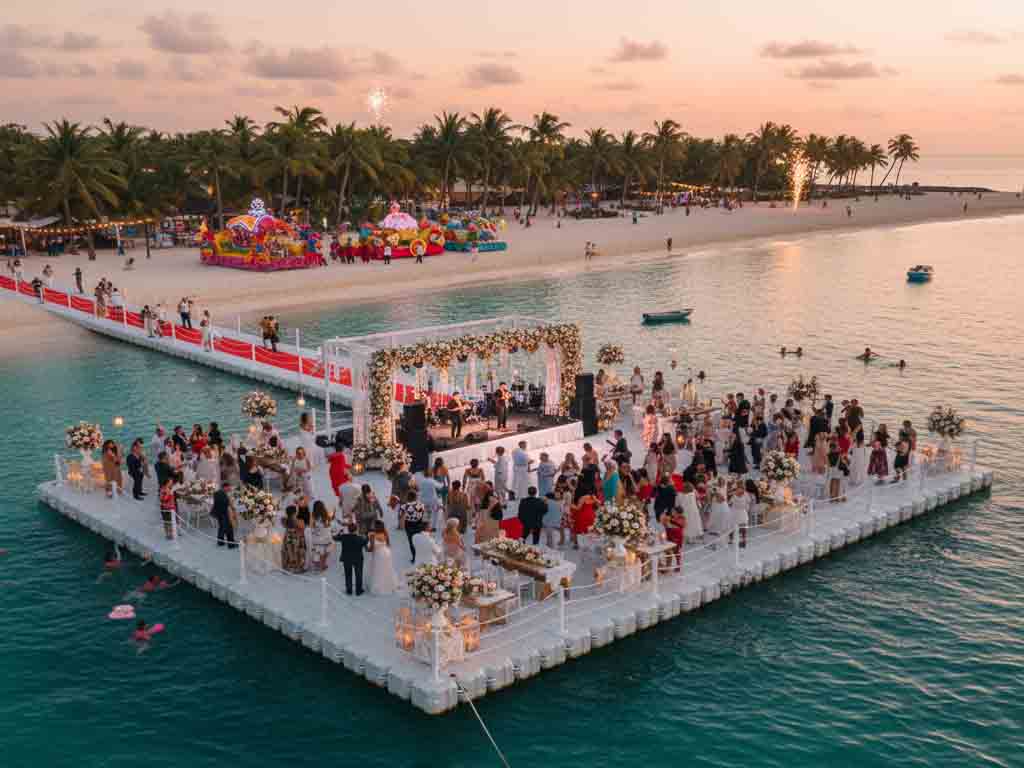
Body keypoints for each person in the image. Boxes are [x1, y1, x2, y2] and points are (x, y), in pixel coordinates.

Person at [334, 523, 367, 595]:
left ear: (348, 529)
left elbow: (335, 538)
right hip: (358, 558)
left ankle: (349, 590)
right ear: (356, 530)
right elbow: (365, 543)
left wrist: (339, 532)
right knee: (359, 574)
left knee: (348, 574)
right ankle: (359, 590)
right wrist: (365, 536)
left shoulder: (344, 537)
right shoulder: (360, 538)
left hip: (347, 558)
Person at [398, 490, 427, 564]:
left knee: (411, 541)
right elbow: (424, 515)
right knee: (419, 540)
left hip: (408, 525)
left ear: (407, 497)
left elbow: (400, 516)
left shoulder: (404, 506)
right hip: (419, 524)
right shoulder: (421, 505)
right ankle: (420, 556)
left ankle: (414, 557)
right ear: (416, 497)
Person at [281, 506, 307, 573]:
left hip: (288, 537)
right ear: (294, 513)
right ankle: (297, 567)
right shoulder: (299, 521)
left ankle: (288, 567)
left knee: (288, 551)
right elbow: (303, 528)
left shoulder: (284, 520)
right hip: (297, 538)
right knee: (297, 551)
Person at [308, 501, 333, 572]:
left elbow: (311, 526)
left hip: (316, 537)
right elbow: (328, 525)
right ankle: (323, 564)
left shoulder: (313, 515)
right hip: (325, 537)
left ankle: (318, 563)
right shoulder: (326, 515)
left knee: (318, 551)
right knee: (325, 551)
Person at [211, 481, 237, 548]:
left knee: (222, 527)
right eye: (229, 487)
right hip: (223, 513)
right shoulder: (221, 493)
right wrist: (232, 507)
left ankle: (220, 542)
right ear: (225, 487)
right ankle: (231, 544)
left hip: (219, 512)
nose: (229, 489)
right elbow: (227, 503)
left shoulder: (218, 492)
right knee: (229, 528)